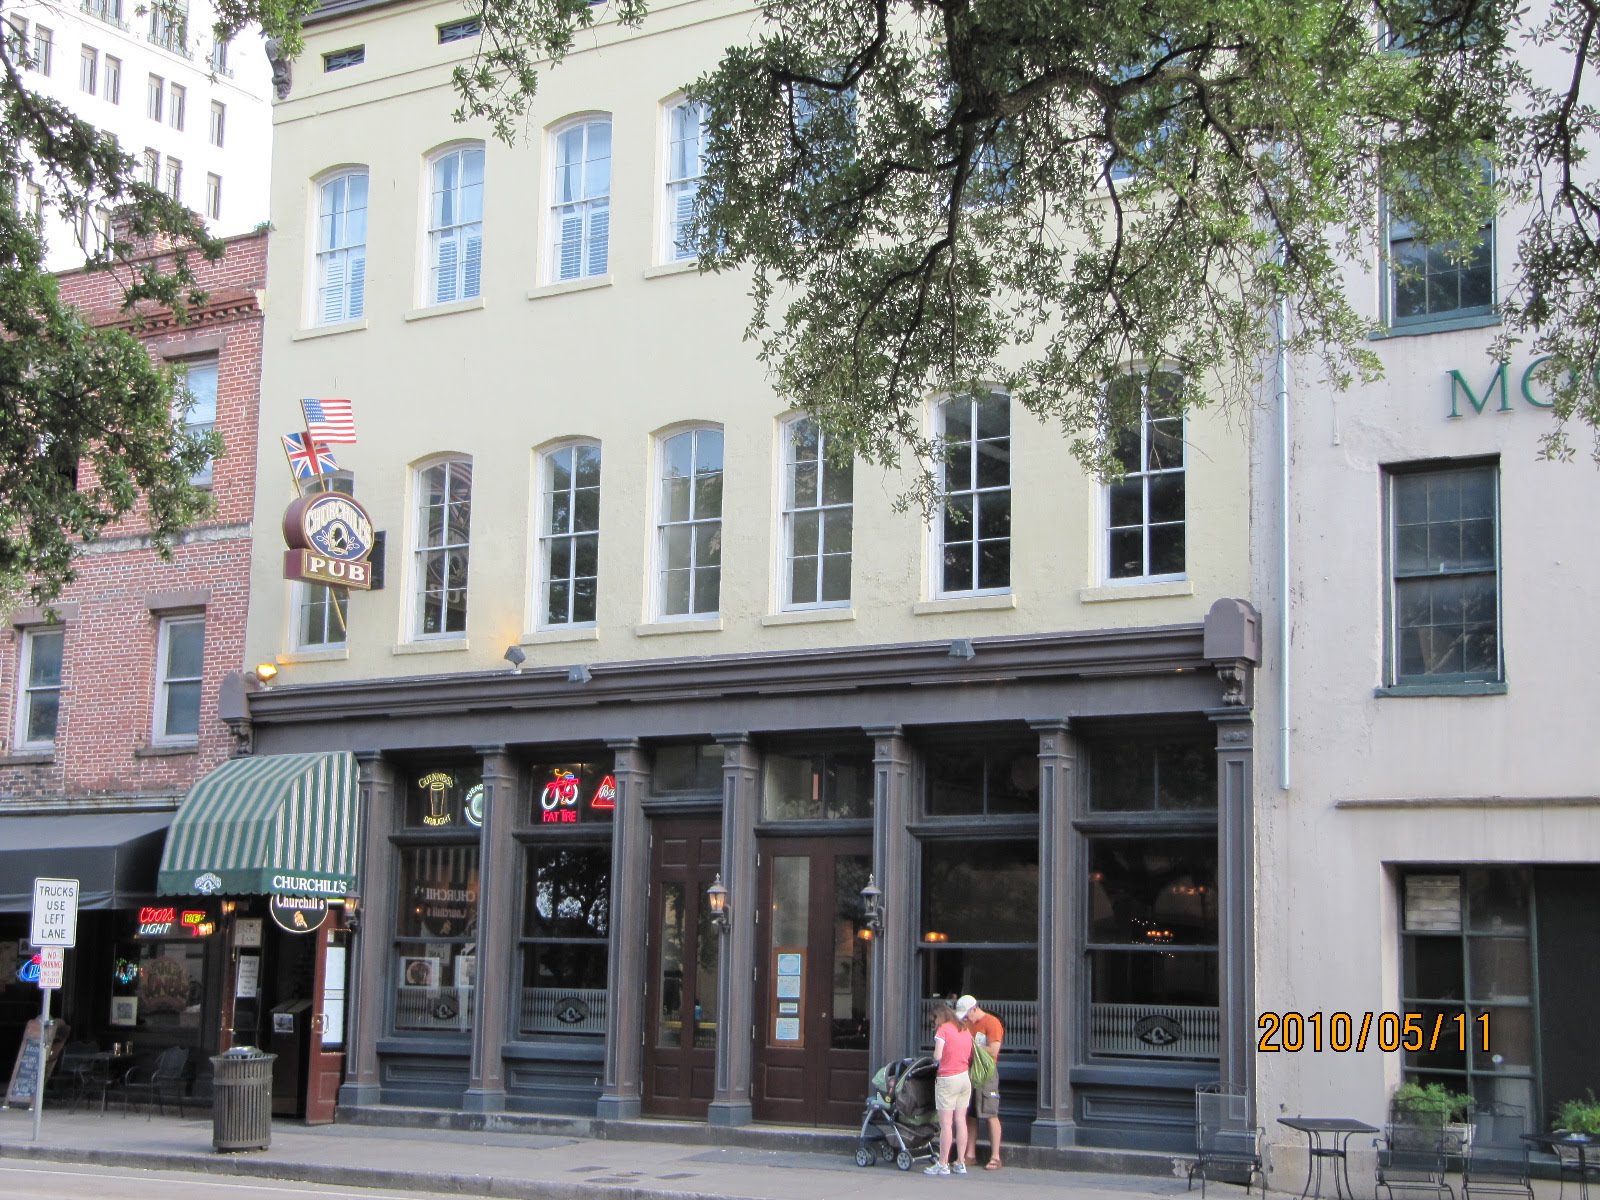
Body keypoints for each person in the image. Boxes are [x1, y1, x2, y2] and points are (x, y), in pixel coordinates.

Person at [924, 1001, 973, 1176]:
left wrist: (936, 1058)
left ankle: (943, 1163)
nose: (934, 1023)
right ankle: (960, 1162)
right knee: (961, 1121)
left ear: (939, 1016)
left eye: (934, 1019)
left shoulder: (943, 1030)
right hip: (964, 1077)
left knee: (946, 1124)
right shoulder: (964, 1028)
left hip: (947, 1079)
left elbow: (937, 1055)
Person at [956, 994, 1005, 1170]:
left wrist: (972, 1047)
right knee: (970, 1114)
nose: (966, 1018)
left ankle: (995, 1156)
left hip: (986, 1073)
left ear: (975, 1008)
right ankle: (970, 1154)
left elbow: (993, 1050)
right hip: (968, 1071)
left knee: (990, 1112)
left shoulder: (991, 1023)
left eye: (967, 1014)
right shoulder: (966, 1024)